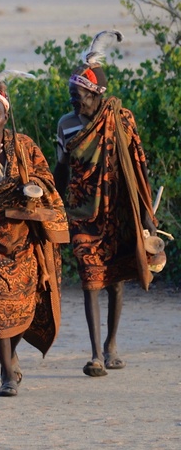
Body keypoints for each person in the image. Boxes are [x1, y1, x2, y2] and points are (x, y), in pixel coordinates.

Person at [53, 31, 160, 377]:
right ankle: (96, 354)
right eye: (72, 96)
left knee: (115, 280)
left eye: (80, 97)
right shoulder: (66, 125)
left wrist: (146, 212)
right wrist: (51, 207)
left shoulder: (122, 120)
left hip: (119, 210)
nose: (75, 103)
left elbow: (139, 164)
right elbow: (61, 168)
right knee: (89, 280)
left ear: (97, 95)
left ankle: (112, 345)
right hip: (82, 212)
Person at [0, 77, 69, 397]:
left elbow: (47, 182)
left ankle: (12, 353)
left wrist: (30, 188)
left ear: (6, 117)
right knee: (0, 304)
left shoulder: (24, 146)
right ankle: (6, 372)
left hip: (23, 238)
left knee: (26, 304)